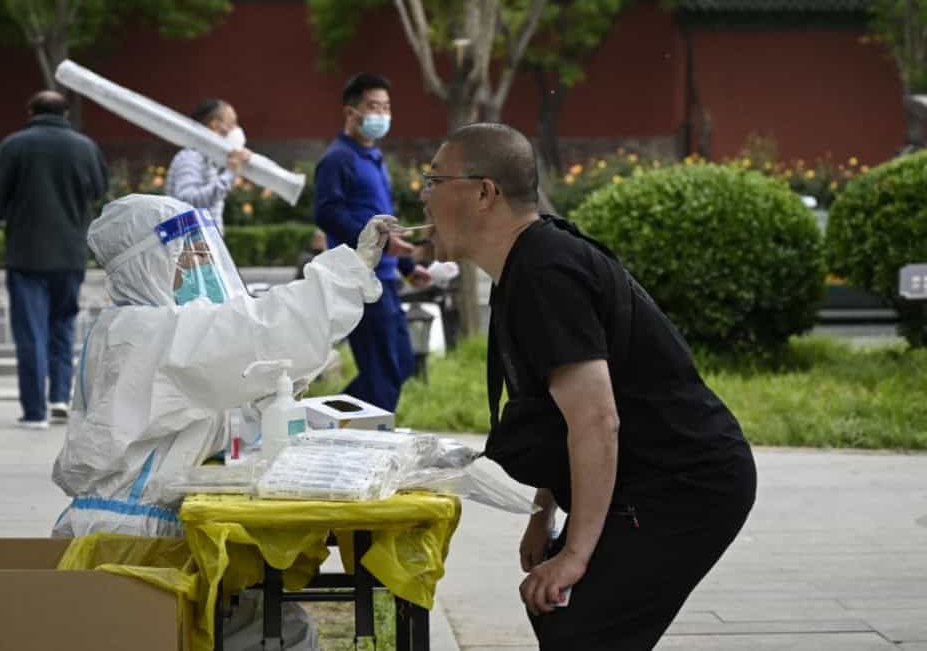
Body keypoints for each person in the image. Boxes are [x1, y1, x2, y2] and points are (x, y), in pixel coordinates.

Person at [420, 123, 756, 650]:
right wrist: (543, 514)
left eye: (434, 180)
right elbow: (558, 414)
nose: (424, 197)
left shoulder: (545, 269)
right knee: (556, 614)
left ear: (484, 192)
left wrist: (575, 554)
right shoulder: (530, 262)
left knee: (581, 631)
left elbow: (596, 418)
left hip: (684, 483)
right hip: (652, 478)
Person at [51, 194, 395, 650]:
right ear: (147, 264)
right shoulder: (141, 334)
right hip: (135, 548)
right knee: (281, 636)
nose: (200, 270)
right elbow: (253, 333)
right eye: (186, 259)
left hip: (144, 537)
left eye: (201, 255)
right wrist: (346, 273)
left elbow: (230, 365)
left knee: (285, 630)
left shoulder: (146, 328)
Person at [0, 90, 109, 430]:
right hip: (70, 254)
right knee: (62, 326)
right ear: (66, 113)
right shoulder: (86, 147)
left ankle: (35, 411)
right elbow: (101, 191)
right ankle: (59, 398)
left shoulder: (14, 146)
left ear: (31, 110)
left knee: (31, 332)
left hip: (26, 255)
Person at [314, 72, 430, 412]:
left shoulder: (375, 158)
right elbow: (327, 212)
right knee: (383, 371)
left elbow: (384, 218)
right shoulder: (337, 159)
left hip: (387, 279)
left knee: (403, 364)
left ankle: (324, 420)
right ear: (351, 112)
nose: (381, 114)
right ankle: (334, 428)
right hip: (359, 279)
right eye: (373, 106)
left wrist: (409, 267)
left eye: (386, 107)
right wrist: (373, 240)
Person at [164, 98, 252, 234]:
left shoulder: (207, 159)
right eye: (232, 123)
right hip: (192, 249)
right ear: (215, 125)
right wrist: (230, 174)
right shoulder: (191, 156)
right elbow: (187, 201)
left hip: (204, 247)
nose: (237, 129)